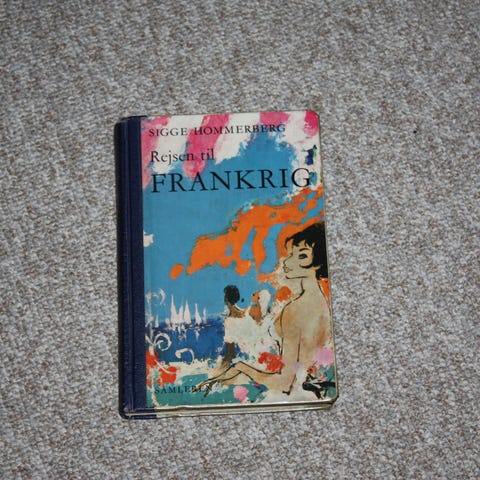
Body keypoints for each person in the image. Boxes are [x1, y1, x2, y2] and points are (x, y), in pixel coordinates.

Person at [200, 223, 332, 395]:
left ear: (319, 263)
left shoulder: (295, 309)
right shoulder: (322, 305)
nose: (287, 261)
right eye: (291, 254)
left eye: (302, 256)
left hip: (290, 394)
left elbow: (285, 383)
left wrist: (240, 367)